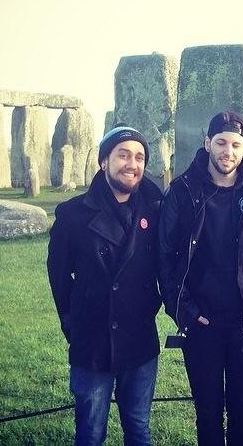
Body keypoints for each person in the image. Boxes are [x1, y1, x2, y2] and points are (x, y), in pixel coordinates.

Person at [159, 110, 243, 445]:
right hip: (202, 321)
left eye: (236, 145)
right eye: (221, 143)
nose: (228, 151)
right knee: (208, 412)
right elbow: (165, 258)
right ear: (207, 143)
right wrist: (184, 309)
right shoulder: (183, 190)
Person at [47, 126, 163, 446]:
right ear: (103, 162)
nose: (132, 164)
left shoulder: (155, 210)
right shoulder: (72, 214)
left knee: (138, 427)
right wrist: (71, 322)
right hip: (93, 340)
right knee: (90, 432)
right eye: (123, 155)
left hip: (139, 338)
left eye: (139, 157)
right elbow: (59, 276)